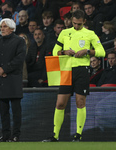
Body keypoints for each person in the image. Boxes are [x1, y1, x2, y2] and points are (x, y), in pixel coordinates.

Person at [42, 10, 105, 142]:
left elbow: (101, 52)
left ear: (84, 21)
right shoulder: (65, 33)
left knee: (80, 103)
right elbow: (54, 51)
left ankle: (78, 135)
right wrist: (64, 51)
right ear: (71, 21)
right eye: (74, 23)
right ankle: (55, 135)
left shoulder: (90, 34)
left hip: (82, 70)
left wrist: (87, 51)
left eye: (79, 24)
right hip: (66, 70)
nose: (76, 26)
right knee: (60, 104)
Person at [0, 18, 26, 142]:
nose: (2, 29)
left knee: (16, 111)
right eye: (1, 27)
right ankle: (5, 135)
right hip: (1, 80)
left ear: (12, 28)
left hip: (13, 79)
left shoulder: (19, 41)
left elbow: (19, 59)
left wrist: (4, 69)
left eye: (5, 26)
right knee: (3, 111)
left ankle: (15, 135)